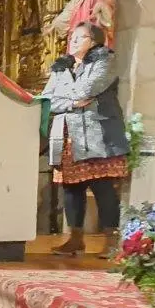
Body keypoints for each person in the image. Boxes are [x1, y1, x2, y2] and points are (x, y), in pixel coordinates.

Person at [43, 22, 128, 258]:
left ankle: (112, 240)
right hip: (68, 136)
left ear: (95, 41)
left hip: (98, 135)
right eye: (72, 37)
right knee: (71, 189)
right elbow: (47, 100)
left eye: (81, 38)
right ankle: (75, 239)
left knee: (103, 188)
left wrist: (69, 97)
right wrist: (71, 103)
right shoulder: (61, 68)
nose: (74, 41)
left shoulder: (105, 61)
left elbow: (89, 88)